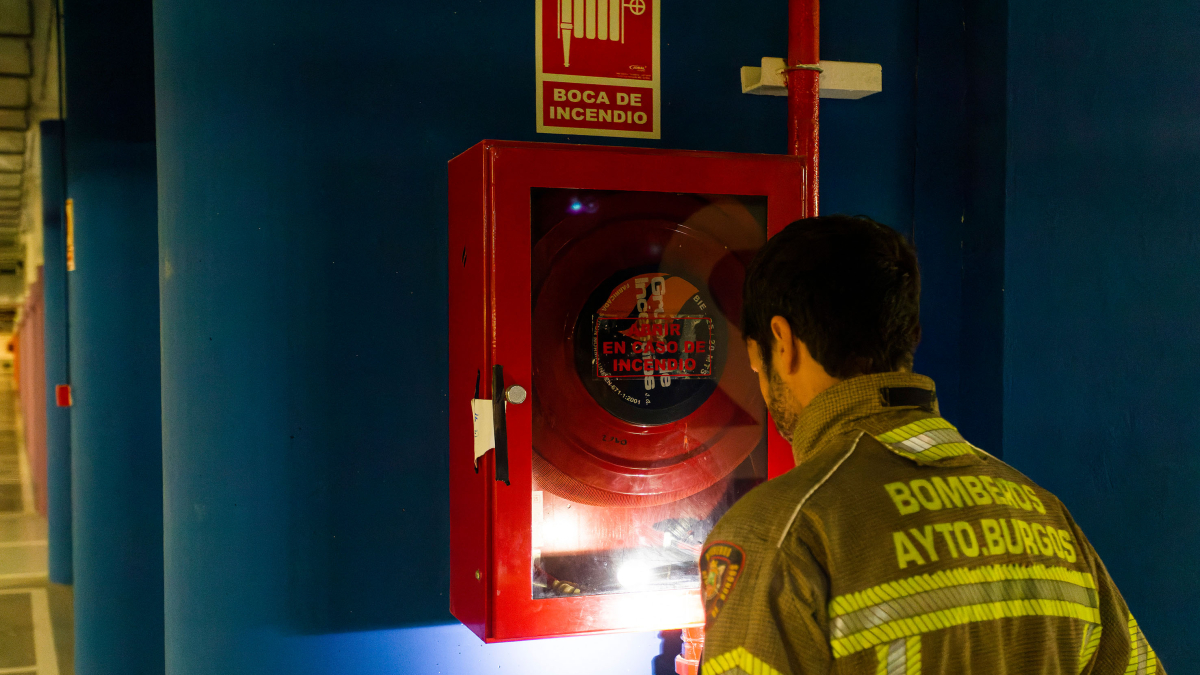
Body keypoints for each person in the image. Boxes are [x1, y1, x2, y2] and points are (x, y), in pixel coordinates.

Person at [699, 215, 1163, 675]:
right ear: (909, 338)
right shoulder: (1047, 518)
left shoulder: (777, 536)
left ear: (782, 343)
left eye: (755, 360)